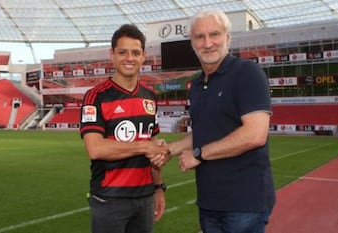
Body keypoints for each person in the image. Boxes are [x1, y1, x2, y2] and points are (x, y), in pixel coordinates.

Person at [167, 9, 276, 233]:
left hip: (244, 204)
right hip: (209, 202)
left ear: (228, 37)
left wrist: (199, 154)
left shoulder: (247, 73)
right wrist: (169, 149)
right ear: (192, 43)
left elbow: (255, 135)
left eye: (214, 34)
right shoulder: (197, 85)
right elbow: (205, 132)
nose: (208, 43)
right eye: (200, 37)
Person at [79, 24, 169, 233]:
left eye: (136, 52)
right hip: (110, 199)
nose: (130, 58)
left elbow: (153, 145)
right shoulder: (95, 96)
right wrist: (143, 147)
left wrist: (158, 188)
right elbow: (96, 148)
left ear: (144, 56)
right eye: (122, 52)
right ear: (112, 55)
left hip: (145, 198)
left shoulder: (149, 96)